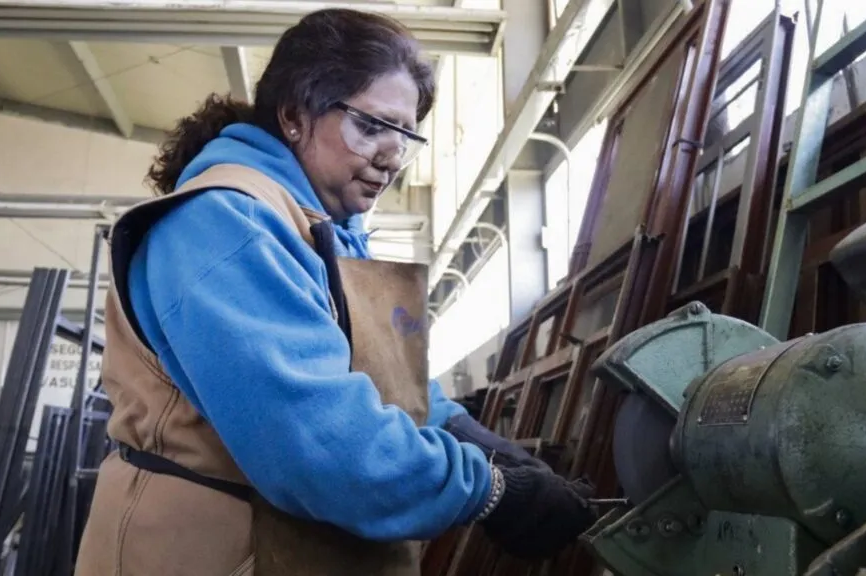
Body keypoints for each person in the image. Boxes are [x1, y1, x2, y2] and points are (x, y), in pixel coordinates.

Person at [76, 8, 596, 575]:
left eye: (404, 136)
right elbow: (320, 447)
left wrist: (468, 433)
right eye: (371, 127)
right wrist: (489, 491)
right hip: (204, 552)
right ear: (295, 115)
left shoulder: (325, 231)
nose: (391, 158)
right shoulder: (227, 224)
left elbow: (386, 379)